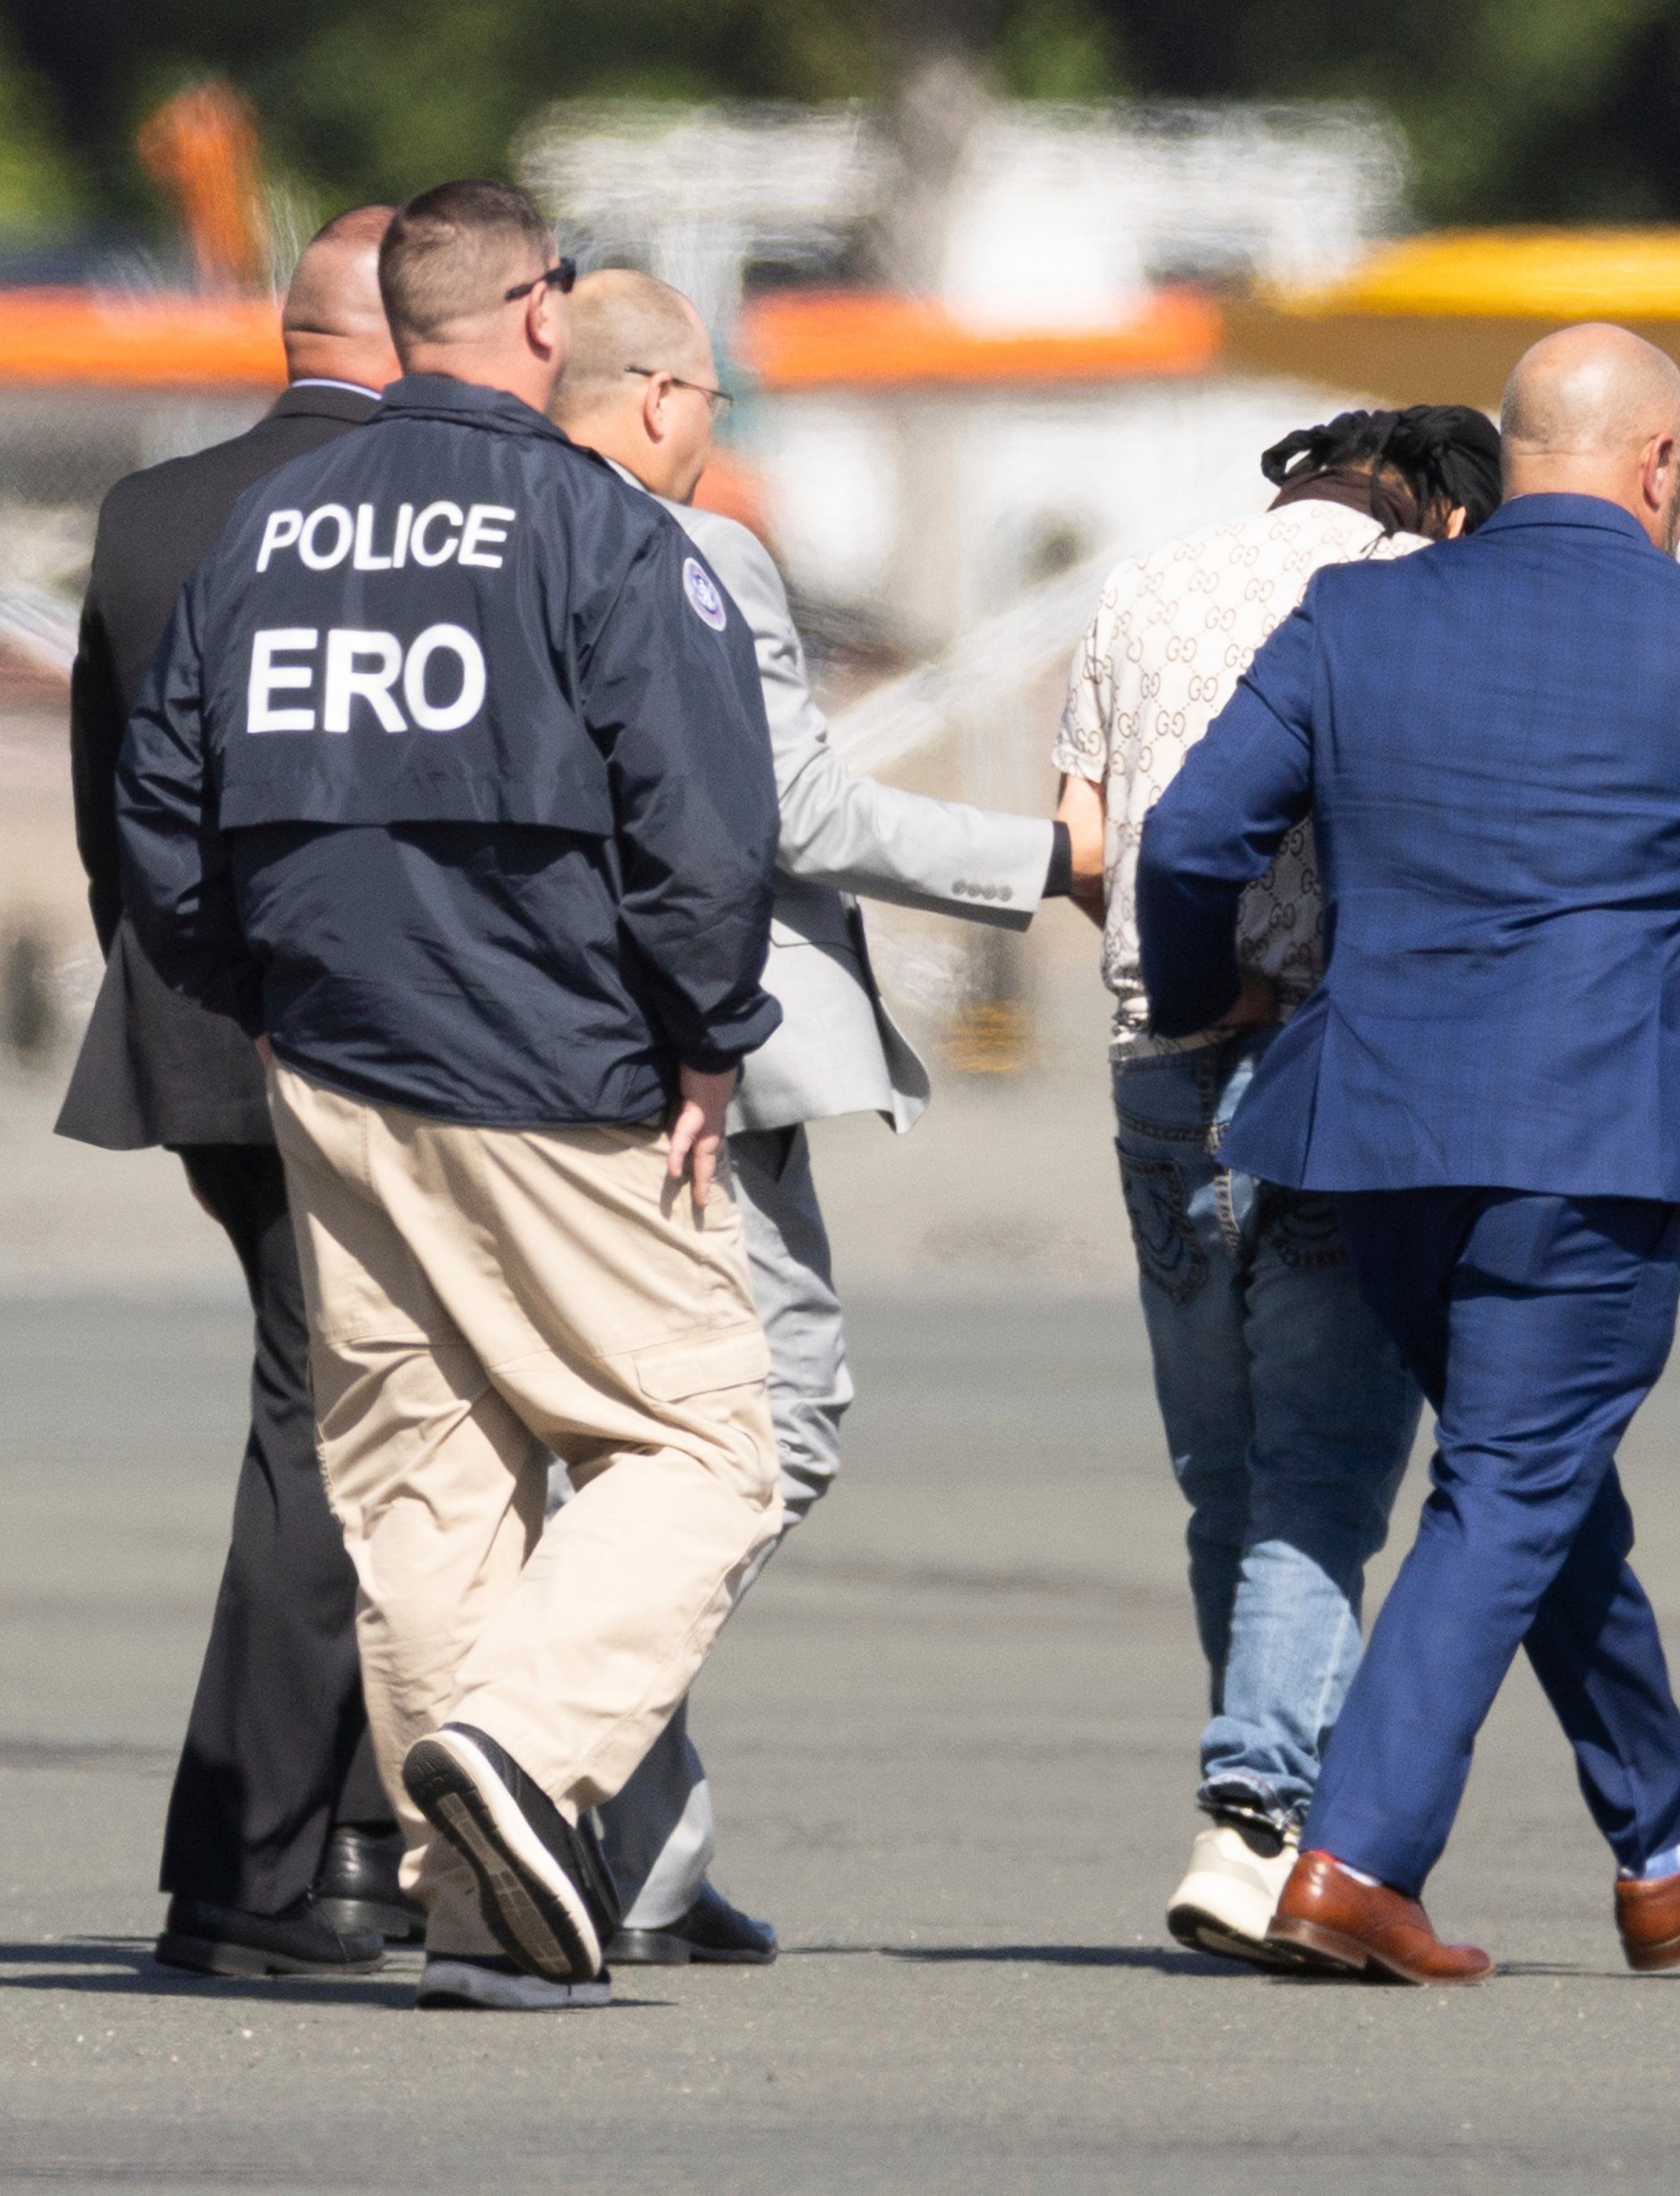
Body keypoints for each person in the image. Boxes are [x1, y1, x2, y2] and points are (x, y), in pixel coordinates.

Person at [118, 179, 785, 2013]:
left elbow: (160, 807)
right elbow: (704, 822)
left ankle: (486, 1906)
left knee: (424, 1479)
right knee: (712, 1440)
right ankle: (520, 1747)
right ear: (542, 310)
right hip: (557, 1064)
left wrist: (259, 994)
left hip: (333, 1061)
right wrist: (707, 1027)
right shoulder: (595, 525)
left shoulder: (269, 528)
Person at [1135, 327, 1680, 1985]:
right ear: (1659, 463)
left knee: (1530, 1473)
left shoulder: (1353, 613)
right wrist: (1651, 920)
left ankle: (1666, 1835)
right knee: (1512, 1478)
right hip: (1587, 1140)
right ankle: (1353, 1859)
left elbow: (1185, 835)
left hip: (1371, 1136)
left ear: (1516, 454)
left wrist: (1190, 992)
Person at [547, 271, 1091, 1963]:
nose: (720, 432)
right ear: (653, 399)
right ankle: (545, 1729)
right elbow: (791, 806)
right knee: (773, 1420)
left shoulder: (495, 538)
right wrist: (1046, 862)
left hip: (510, 1052)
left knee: (600, 1429)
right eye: (715, 397)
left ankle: (646, 1840)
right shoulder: (696, 554)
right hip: (696, 1067)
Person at [1051, 404, 1502, 1966]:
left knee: (1223, 1477)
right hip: (1326, 1075)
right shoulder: (1404, 596)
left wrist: (1176, 976)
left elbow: (1084, 838)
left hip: (1149, 1074)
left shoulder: (1144, 587)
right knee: (1318, 1479)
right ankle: (1253, 1813)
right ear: (1443, 506)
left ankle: (1262, 1806)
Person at [53, 203, 419, 1981]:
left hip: (192, 1028)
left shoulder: (149, 514)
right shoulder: (432, 517)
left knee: (328, 1410)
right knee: (338, 1427)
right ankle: (277, 1862)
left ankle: (308, 1846)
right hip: (380, 1033)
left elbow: (103, 803)